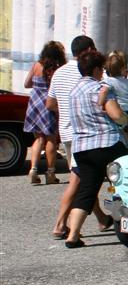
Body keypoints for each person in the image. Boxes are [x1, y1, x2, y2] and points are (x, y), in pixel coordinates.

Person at [63, 50, 128, 248]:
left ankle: (73, 235)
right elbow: (117, 115)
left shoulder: (73, 91)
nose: (103, 72)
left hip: (82, 148)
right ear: (95, 69)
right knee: (124, 185)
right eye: (101, 68)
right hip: (107, 144)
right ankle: (127, 225)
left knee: (87, 191)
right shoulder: (101, 89)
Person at [47, 35, 111, 239]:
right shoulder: (86, 71)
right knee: (77, 182)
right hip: (85, 133)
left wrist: (66, 113)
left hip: (66, 132)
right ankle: (60, 225)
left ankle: (101, 218)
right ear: (90, 50)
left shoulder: (59, 72)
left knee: (86, 177)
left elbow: (50, 104)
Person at [23, 40, 66, 185]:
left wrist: (38, 85)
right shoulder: (56, 69)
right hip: (48, 103)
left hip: (34, 103)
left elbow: (27, 84)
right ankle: (50, 173)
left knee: (39, 138)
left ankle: (34, 169)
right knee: (51, 139)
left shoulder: (36, 65)